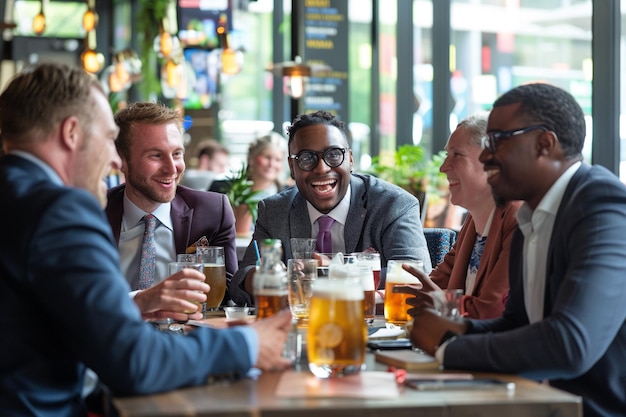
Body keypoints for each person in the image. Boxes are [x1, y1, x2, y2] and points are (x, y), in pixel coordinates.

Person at [0, 62, 293, 416]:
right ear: (72, 133)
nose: (113, 159)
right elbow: (135, 361)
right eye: (109, 138)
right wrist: (248, 343)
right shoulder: (59, 211)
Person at [396, 83, 626, 417]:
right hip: (530, 401)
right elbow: (517, 323)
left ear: (544, 144)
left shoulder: (602, 207)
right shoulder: (531, 215)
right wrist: (457, 328)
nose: (486, 155)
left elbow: (571, 344)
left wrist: (450, 348)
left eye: (497, 141)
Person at [230, 110, 432, 306]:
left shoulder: (393, 205)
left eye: (334, 155)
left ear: (350, 159)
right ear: (292, 168)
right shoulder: (275, 210)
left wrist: (337, 270)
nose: (322, 168)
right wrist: (263, 276)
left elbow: (416, 274)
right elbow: (240, 282)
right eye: (307, 158)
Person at [106, 102, 239, 315]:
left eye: (177, 154)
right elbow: (75, 295)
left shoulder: (213, 211)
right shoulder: (94, 212)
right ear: (122, 160)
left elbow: (230, 296)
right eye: (156, 156)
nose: (171, 168)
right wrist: (140, 301)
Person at [425, 112, 521, 319]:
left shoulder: (519, 218)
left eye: (456, 155)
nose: (443, 168)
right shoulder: (473, 221)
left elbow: (491, 310)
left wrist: (434, 301)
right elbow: (434, 284)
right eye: (446, 156)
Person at [210, 132, 287, 200]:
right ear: (251, 157)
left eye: (278, 160)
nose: (272, 164)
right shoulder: (220, 189)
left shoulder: (289, 196)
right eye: (267, 157)